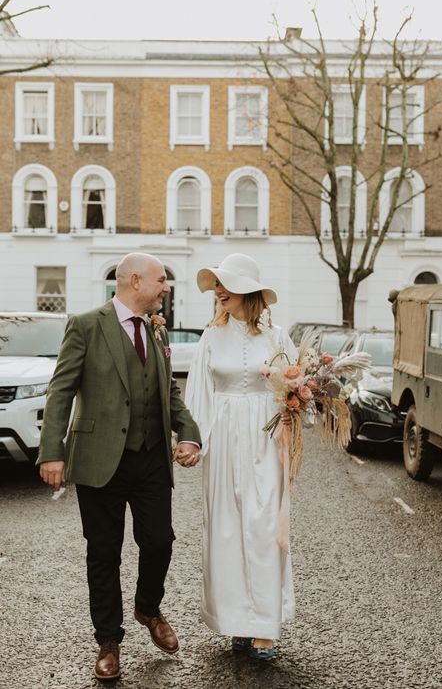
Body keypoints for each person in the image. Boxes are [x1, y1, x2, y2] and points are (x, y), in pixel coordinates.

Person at [37, 252, 202, 681]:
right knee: (104, 553)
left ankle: (148, 607)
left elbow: (168, 392)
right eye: (161, 280)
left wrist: (188, 434)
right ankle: (108, 640)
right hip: (98, 460)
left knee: (160, 540)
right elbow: (60, 391)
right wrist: (51, 451)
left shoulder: (155, 329)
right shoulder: (86, 325)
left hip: (150, 459)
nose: (166, 287)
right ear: (134, 280)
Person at [185, 253, 297, 660]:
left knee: (265, 524)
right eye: (217, 285)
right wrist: (194, 441)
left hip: (268, 439)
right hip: (224, 436)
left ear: (247, 292)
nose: (218, 291)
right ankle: (237, 620)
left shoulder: (279, 337)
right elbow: (198, 393)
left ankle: (265, 625)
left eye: (225, 284)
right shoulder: (210, 337)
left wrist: (294, 410)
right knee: (227, 527)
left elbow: (295, 390)